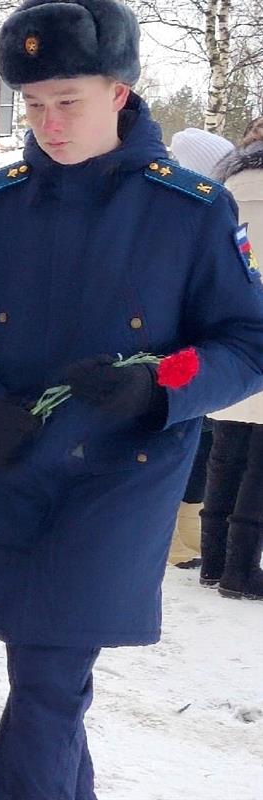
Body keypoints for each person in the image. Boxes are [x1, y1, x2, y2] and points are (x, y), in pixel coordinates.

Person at [0, 0, 263, 797]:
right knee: (44, 681)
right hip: (17, 468)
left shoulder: (190, 208)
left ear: (118, 91)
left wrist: (157, 387)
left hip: (123, 476)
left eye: (66, 100)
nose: (48, 122)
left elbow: (247, 344)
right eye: (33, 105)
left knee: (46, 675)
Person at [165, 128, 235, 569]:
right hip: (178, 349)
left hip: (203, 345)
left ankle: (189, 524)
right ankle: (170, 533)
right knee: (182, 439)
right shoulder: (176, 213)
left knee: (205, 444)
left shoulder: (210, 213)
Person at [200, 116, 263, 599]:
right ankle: (241, 570)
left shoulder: (221, 190)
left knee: (224, 453)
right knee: (259, 464)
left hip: (228, 335)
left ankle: (213, 560)